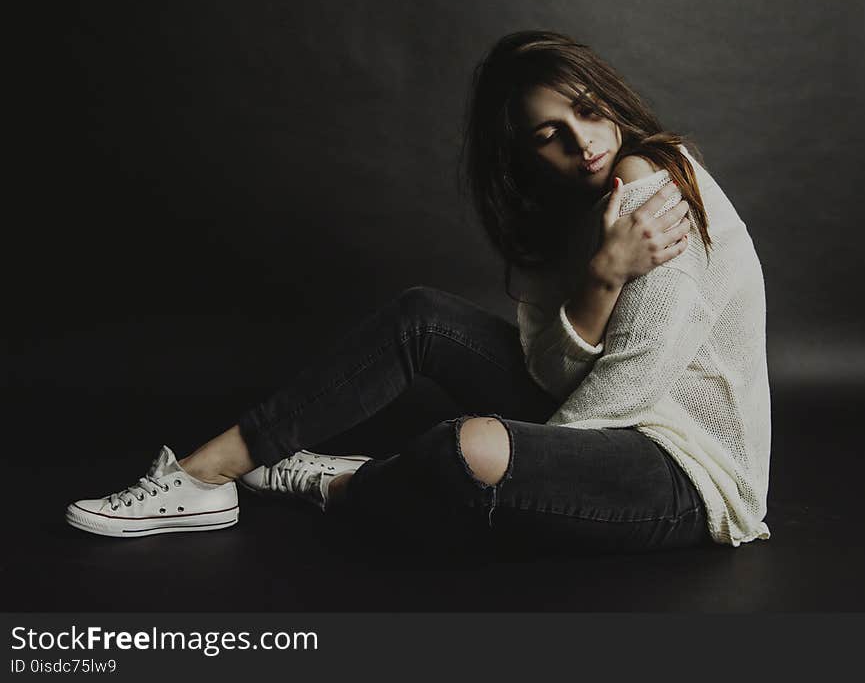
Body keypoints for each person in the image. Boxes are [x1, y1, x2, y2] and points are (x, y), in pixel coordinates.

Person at [65, 30, 771, 552]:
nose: (584, 142)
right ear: (524, 155)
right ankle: (203, 475)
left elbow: (634, 387)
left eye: (588, 111)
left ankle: (344, 483)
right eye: (550, 135)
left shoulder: (651, 184)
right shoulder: (560, 220)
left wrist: (519, 462)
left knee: (461, 450)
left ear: (609, 97)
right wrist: (600, 276)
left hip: (685, 472)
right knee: (421, 318)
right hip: (606, 422)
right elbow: (550, 371)